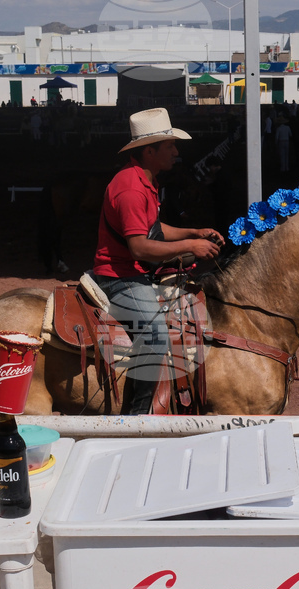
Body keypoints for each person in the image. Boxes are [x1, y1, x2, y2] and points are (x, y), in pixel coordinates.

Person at [92, 108, 225, 415]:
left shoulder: (144, 180)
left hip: (131, 272)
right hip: (119, 276)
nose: (176, 152)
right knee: (156, 334)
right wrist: (191, 244)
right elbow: (139, 247)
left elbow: (153, 228)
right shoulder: (130, 188)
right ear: (150, 151)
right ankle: (136, 416)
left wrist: (193, 230)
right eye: (170, 146)